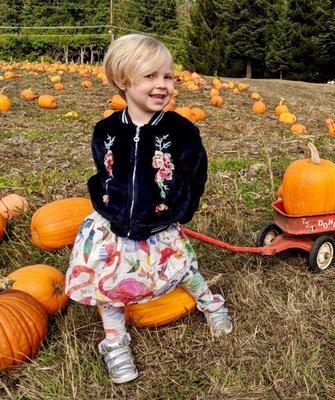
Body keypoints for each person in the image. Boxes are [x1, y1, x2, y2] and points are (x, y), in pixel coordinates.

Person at [64, 34, 233, 384]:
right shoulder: (106, 129)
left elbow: (196, 173)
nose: (162, 85)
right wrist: (106, 201)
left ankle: (210, 301)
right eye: (150, 76)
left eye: (168, 77)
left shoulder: (183, 131)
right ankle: (115, 342)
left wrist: (181, 209)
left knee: (181, 267)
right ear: (123, 81)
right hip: (111, 227)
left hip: (159, 224)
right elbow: (103, 169)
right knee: (107, 285)